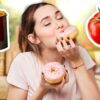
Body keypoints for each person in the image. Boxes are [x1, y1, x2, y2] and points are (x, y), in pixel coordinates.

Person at [7, 2, 100, 100]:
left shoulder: (80, 53)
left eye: (60, 17)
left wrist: (76, 62)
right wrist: (42, 88)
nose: (59, 24)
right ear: (34, 38)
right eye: (47, 23)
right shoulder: (23, 62)